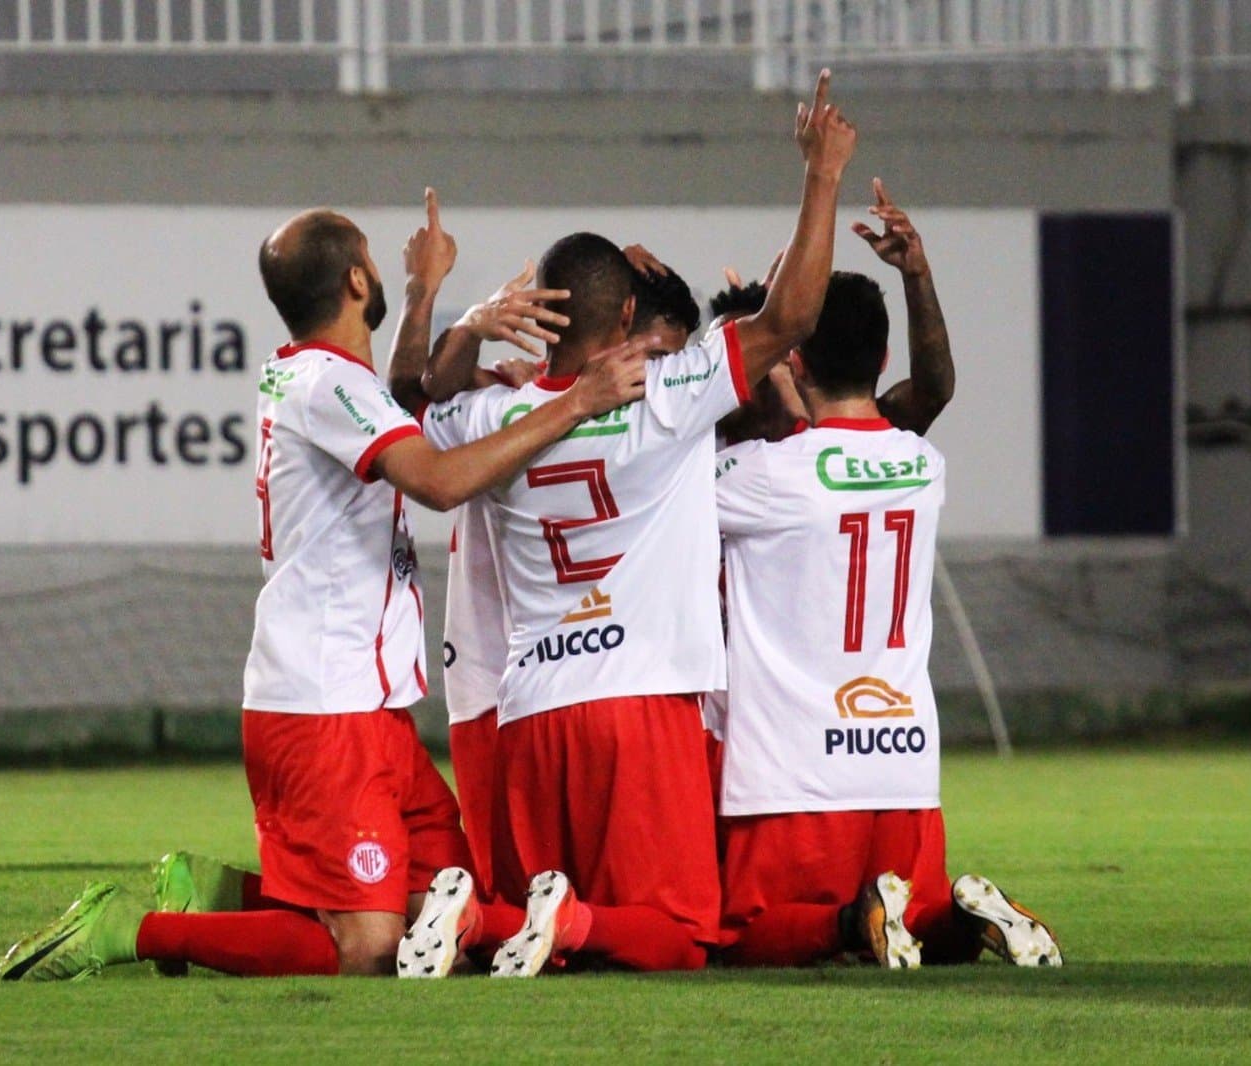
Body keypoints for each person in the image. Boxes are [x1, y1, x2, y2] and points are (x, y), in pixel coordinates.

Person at [0, 205, 651, 982]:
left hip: (365, 712)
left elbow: (401, 402)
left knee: (452, 904)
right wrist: (575, 403)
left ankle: (220, 894)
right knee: (367, 949)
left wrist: (425, 293)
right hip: (321, 710)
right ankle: (132, 929)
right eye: (373, 259)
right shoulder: (327, 386)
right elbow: (438, 482)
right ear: (354, 278)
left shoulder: (318, 378)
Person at [404, 71, 857, 978]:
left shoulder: (490, 417)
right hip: (641, 703)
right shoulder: (668, 393)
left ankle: (488, 920)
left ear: (544, 316)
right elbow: (792, 318)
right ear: (625, 316)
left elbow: (412, 397)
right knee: (680, 935)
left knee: (578, 948)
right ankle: (557, 920)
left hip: (532, 712)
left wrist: (459, 319)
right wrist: (821, 177)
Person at [711, 187, 1060, 970]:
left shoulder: (759, 476)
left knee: (738, 932)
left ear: (792, 357)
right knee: (905, 910)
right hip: (901, 763)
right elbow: (928, 393)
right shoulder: (917, 462)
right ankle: (961, 923)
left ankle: (865, 924)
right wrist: (918, 274)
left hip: (794, 771)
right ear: (878, 359)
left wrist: (741, 345)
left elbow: (672, 472)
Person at [386, 221, 703, 908]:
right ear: (620, 320)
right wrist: (462, 320)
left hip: (568, 685)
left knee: (570, 910)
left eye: (669, 355)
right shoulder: (508, 397)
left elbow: (412, 397)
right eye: (649, 345)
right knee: (521, 902)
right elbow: (409, 398)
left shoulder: (647, 414)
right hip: (499, 680)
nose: (649, 367)